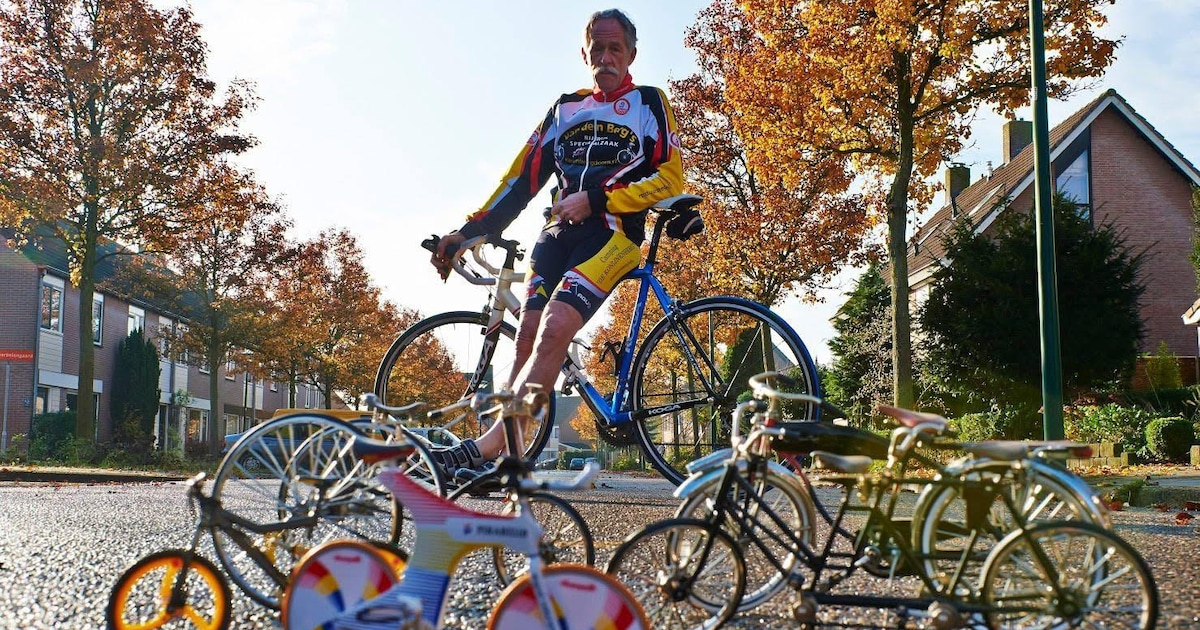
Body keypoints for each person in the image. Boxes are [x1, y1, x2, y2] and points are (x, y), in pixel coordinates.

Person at [428, 8, 683, 479]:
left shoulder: (649, 103)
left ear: (631, 55)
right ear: (584, 52)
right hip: (555, 237)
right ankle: (510, 464)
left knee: (554, 328)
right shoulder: (565, 109)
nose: (606, 58)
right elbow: (519, 180)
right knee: (526, 338)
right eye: (598, 49)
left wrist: (600, 197)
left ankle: (485, 449)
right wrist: (467, 231)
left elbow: (669, 177)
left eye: (616, 49)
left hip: (613, 236)